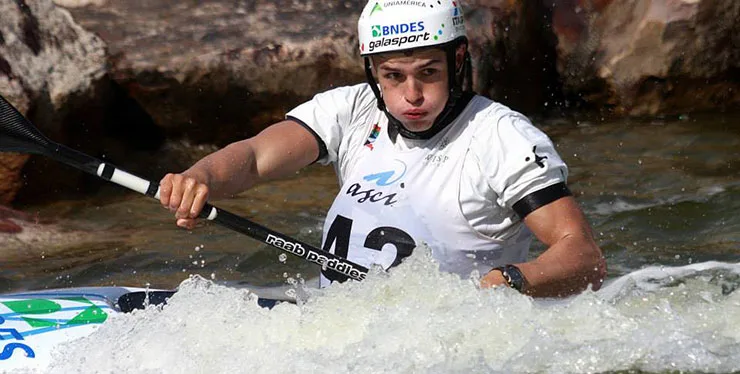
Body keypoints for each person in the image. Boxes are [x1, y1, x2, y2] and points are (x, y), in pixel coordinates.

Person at [158, 0, 606, 297]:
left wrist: (508, 281)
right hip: (340, 323)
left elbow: (583, 257)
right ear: (372, 69)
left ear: (458, 60)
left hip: (451, 336)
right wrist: (203, 178)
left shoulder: (502, 137)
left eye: (428, 73)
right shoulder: (351, 109)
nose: (412, 95)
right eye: (393, 76)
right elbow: (255, 157)